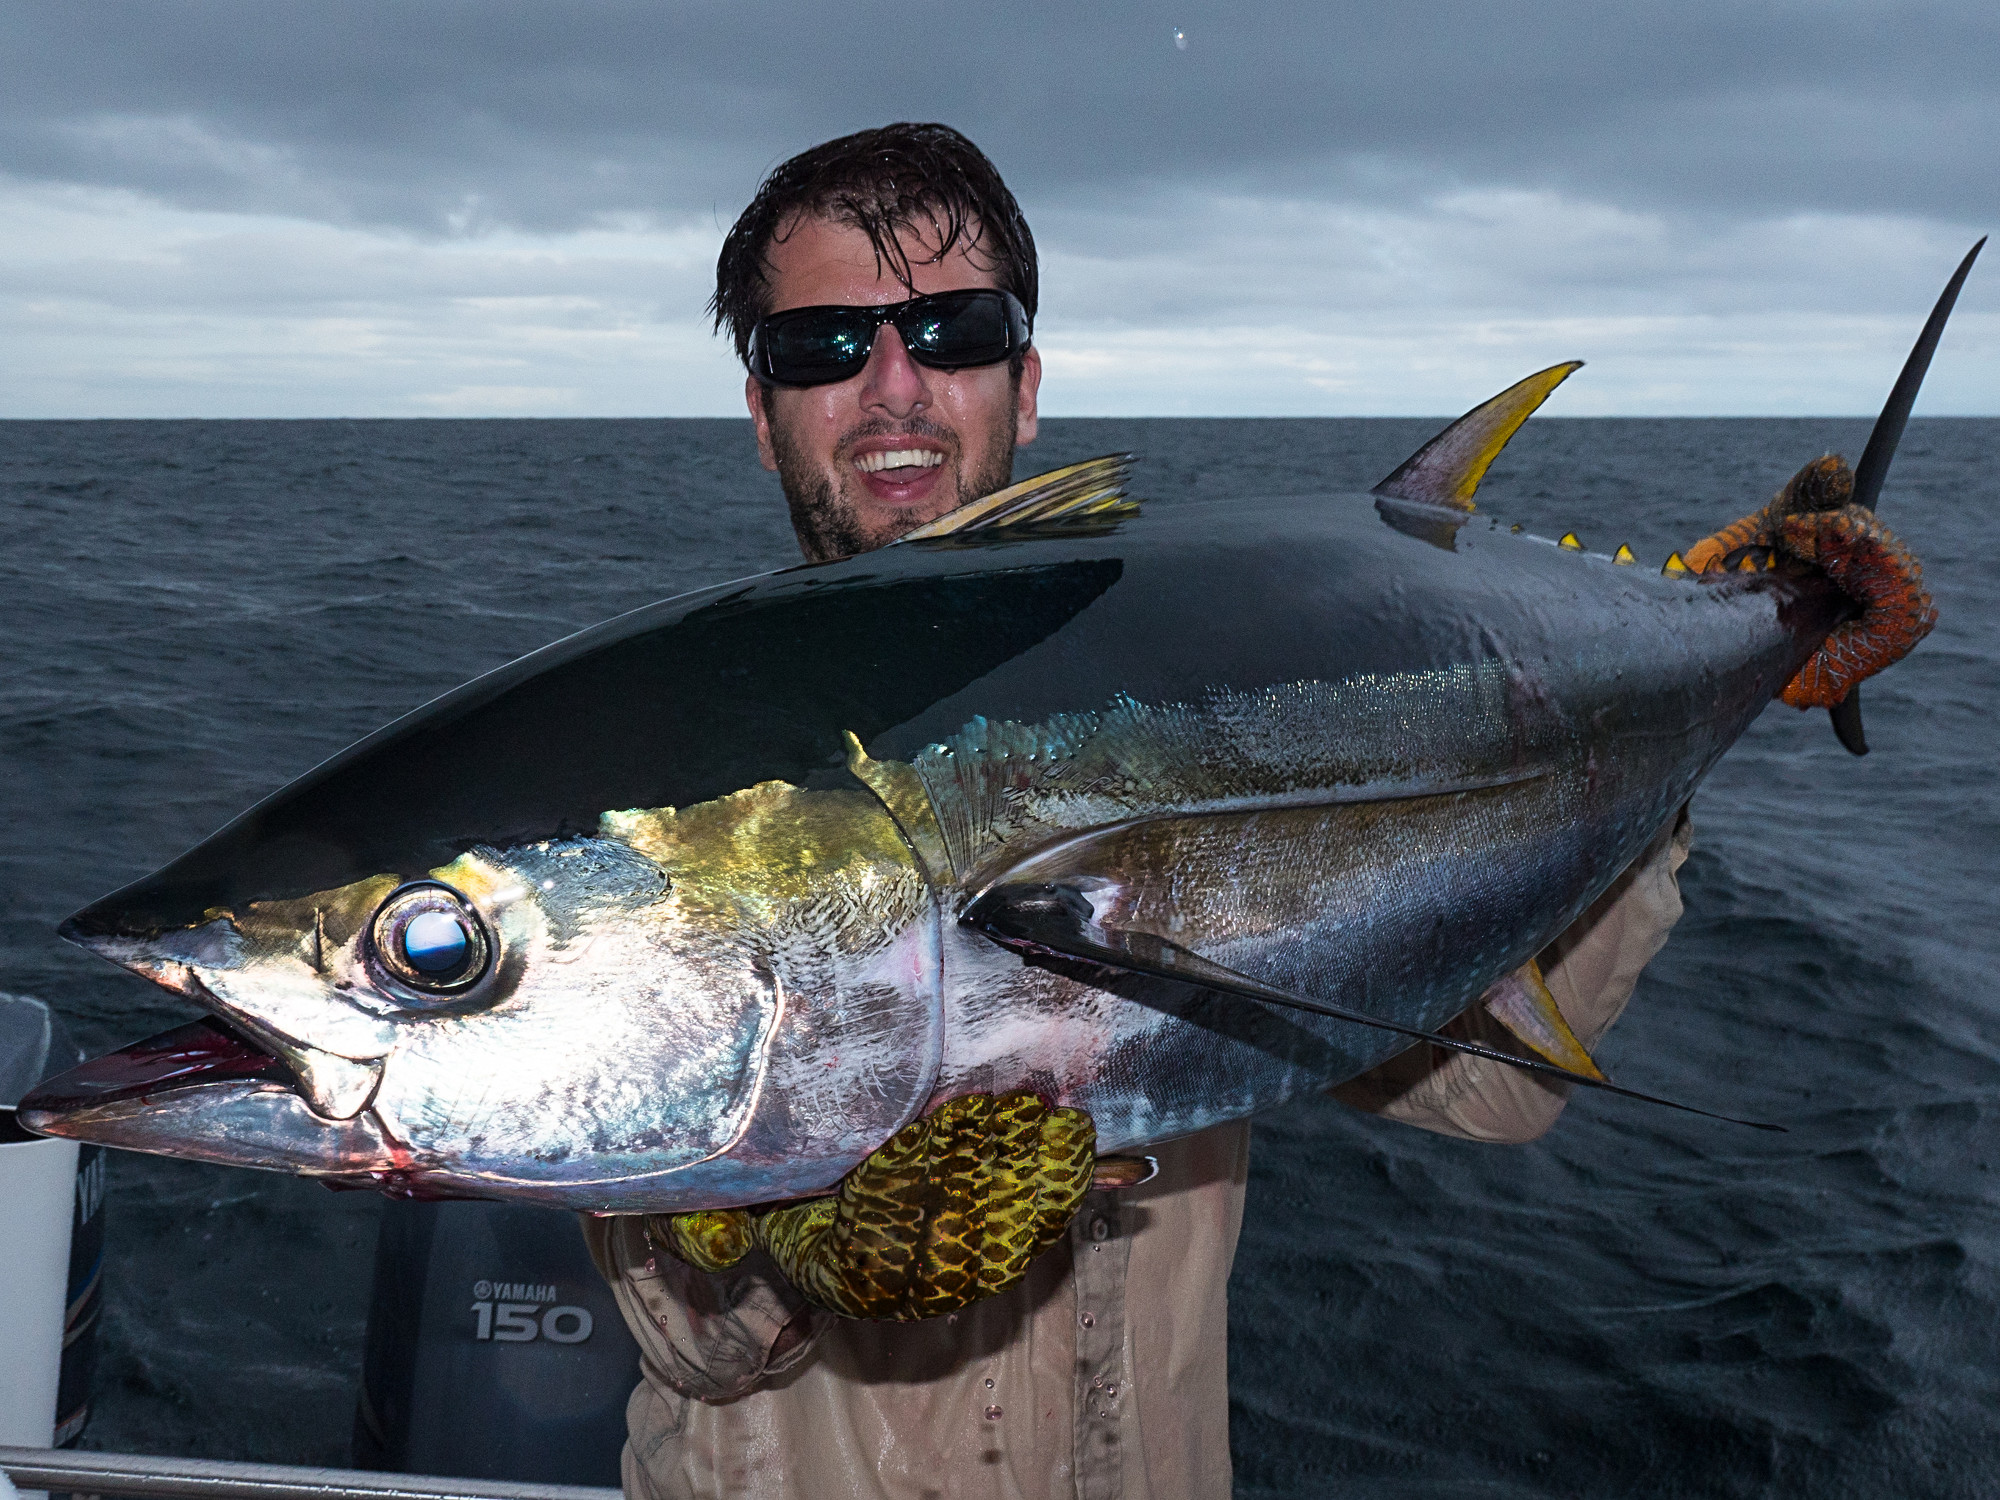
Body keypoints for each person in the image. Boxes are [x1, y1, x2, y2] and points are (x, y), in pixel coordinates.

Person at [585, 122, 1694, 1500]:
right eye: (819, 347)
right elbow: (691, 1343)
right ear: (761, 415)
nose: (892, 388)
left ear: (1024, 384)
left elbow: (1491, 1092)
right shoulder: (671, 791)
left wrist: (1676, 744)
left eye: (952, 329)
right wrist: (784, 1225)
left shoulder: (1184, 709)